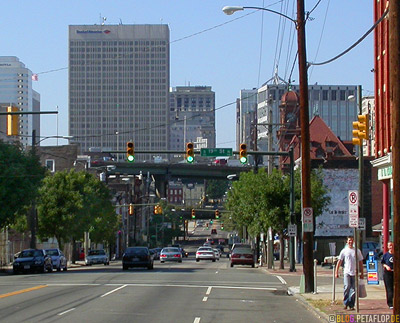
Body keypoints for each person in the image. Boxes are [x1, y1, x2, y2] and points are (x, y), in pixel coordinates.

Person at [335, 236, 364, 310]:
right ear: (347, 242)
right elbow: (339, 261)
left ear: (353, 242)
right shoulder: (344, 251)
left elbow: (360, 262)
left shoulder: (357, 251)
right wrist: (336, 272)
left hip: (354, 272)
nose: (350, 242)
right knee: (347, 287)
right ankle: (345, 302)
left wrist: (362, 273)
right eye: (349, 240)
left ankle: (351, 305)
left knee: (353, 289)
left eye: (352, 240)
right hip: (347, 272)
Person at [381, 241, 394, 309]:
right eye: (390, 246)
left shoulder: (396, 254)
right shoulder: (386, 255)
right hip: (387, 274)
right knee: (389, 289)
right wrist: (386, 266)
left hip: (395, 273)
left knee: (395, 289)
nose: (391, 247)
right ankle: (390, 304)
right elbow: (382, 263)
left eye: (392, 245)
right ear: (388, 247)